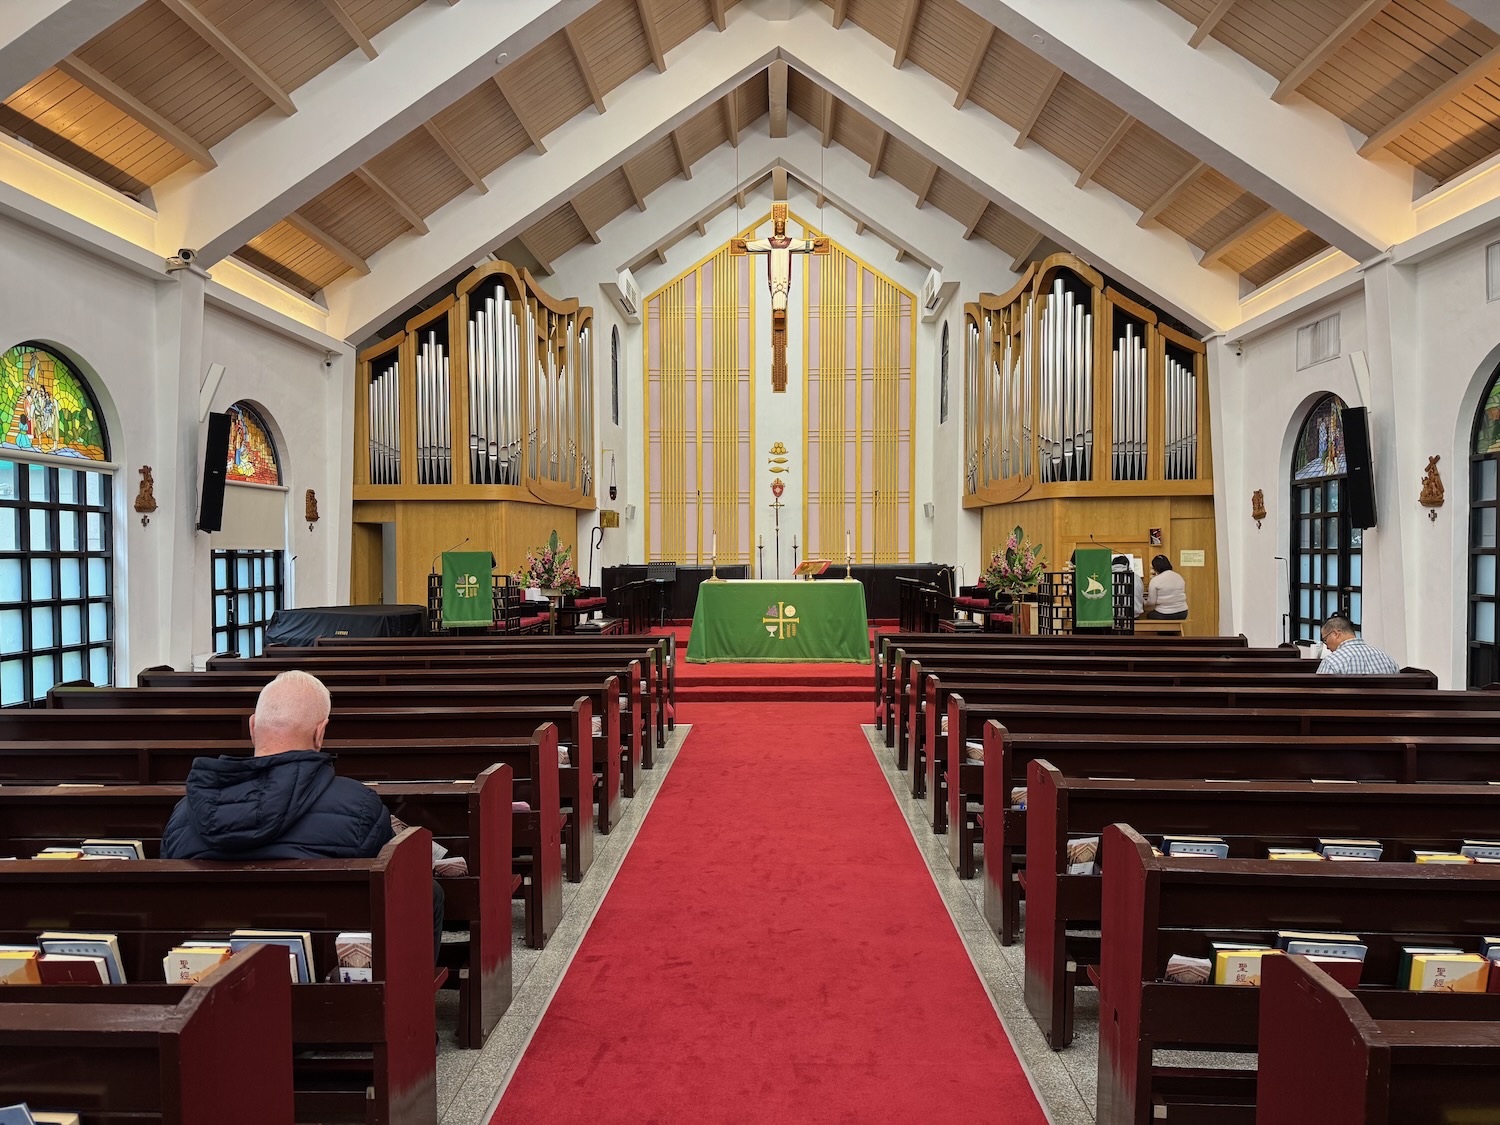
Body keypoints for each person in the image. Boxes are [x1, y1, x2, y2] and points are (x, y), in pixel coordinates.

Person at [161, 670, 443, 965]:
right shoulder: (358, 806)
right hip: (324, 975)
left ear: (253, 727)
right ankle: (409, 1002)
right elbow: (393, 883)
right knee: (427, 892)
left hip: (208, 972)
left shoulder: (186, 813)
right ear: (320, 733)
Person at [1316, 615, 1400, 675]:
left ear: (1335, 634)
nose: (1327, 646)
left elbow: (1320, 693)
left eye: (1325, 640)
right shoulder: (1386, 658)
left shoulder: (1331, 662)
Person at [1141, 554, 1187, 620]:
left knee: (1148, 615)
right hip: (1183, 612)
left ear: (1156, 568)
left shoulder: (1155, 580)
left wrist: (1143, 601)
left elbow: (1151, 603)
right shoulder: (1179, 576)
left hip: (1165, 613)